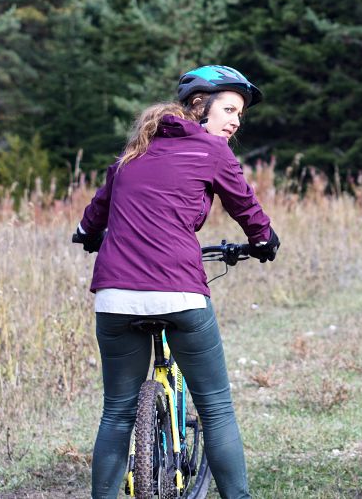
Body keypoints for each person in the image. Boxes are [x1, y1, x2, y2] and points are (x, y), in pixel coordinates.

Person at [73, 65, 280, 499]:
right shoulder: (212, 152)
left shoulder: (133, 152)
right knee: (217, 410)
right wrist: (263, 240)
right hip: (180, 292)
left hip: (115, 298)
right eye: (228, 109)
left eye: (239, 114)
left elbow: (95, 214)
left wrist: (89, 236)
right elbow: (246, 206)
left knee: (116, 414)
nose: (236, 121)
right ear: (198, 107)